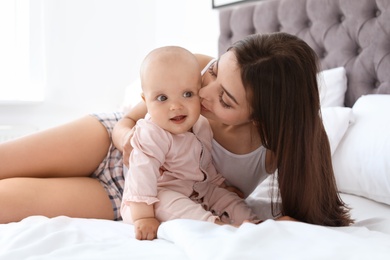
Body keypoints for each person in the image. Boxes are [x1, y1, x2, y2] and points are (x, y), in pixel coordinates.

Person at [0, 32, 353, 228]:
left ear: (260, 119)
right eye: (215, 72)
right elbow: (127, 120)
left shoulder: (281, 148)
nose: (201, 92)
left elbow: (307, 207)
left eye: (226, 100)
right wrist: (127, 140)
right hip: (106, 142)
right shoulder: (194, 66)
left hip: (136, 195)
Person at [121, 46, 259, 240]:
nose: (176, 106)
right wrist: (143, 217)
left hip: (197, 189)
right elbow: (141, 176)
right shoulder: (151, 133)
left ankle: (255, 224)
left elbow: (205, 163)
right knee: (169, 202)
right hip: (153, 197)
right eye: (162, 98)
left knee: (230, 199)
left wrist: (219, 185)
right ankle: (217, 226)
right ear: (146, 101)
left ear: (198, 92)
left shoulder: (201, 124)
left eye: (187, 94)